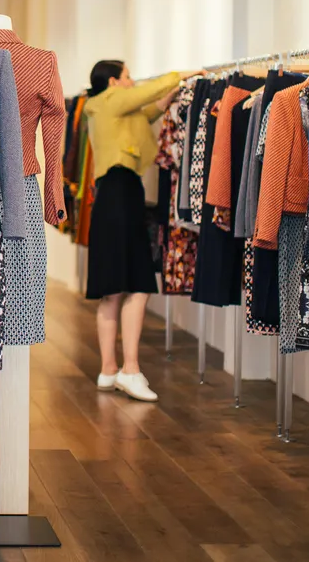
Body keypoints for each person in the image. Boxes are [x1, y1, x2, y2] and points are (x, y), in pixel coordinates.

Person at [82, 60, 200, 402]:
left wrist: (171, 96)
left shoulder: (109, 110)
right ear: (114, 81)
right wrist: (182, 72)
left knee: (112, 289)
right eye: (128, 76)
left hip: (111, 195)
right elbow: (147, 94)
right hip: (121, 192)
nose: (133, 82)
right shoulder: (109, 100)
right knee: (137, 283)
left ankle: (108, 370)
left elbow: (149, 110)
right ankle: (130, 370)